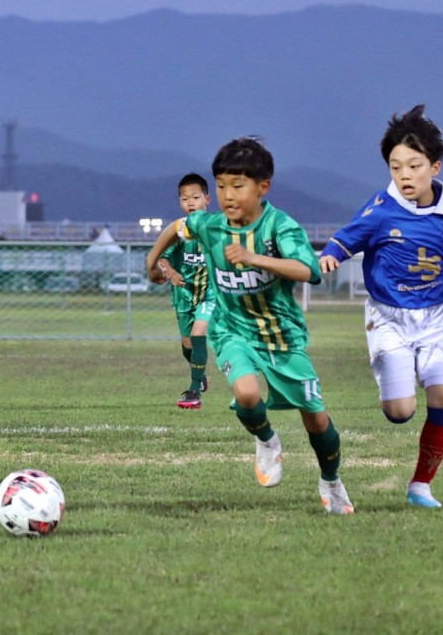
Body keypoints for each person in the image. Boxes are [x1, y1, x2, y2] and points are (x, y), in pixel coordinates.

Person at [146, 137, 354, 515]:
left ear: (262, 187)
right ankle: (267, 440)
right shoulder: (208, 225)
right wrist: (152, 261)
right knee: (246, 394)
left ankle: (331, 480)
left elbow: (308, 270)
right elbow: (178, 226)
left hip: (281, 334)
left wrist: (255, 258)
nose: (227, 195)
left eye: (237, 186)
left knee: (316, 417)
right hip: (232, 329)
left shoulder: (280, 226)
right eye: (222, 185)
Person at [318, 104, 443, 509]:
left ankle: (420, 485)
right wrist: (330, 256)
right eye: (395, 167)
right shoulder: (380, 210)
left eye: (414, 165)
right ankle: (398, 381)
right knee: (400, 411)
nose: (404, 175)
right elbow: (342, 240)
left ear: (435, 166)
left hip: (440, 316)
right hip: (389, 317)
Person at [153, 173, 215, 409]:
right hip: (184, 295)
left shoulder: (217, 229)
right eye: (185, 199)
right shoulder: (178, 232)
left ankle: (194, 391)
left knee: (199, 335)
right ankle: (200, 375)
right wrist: (170, 271)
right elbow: (162, 259)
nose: (190, 203)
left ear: (207, 199)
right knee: (187, 347)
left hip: (210, 294)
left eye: (196, 197)